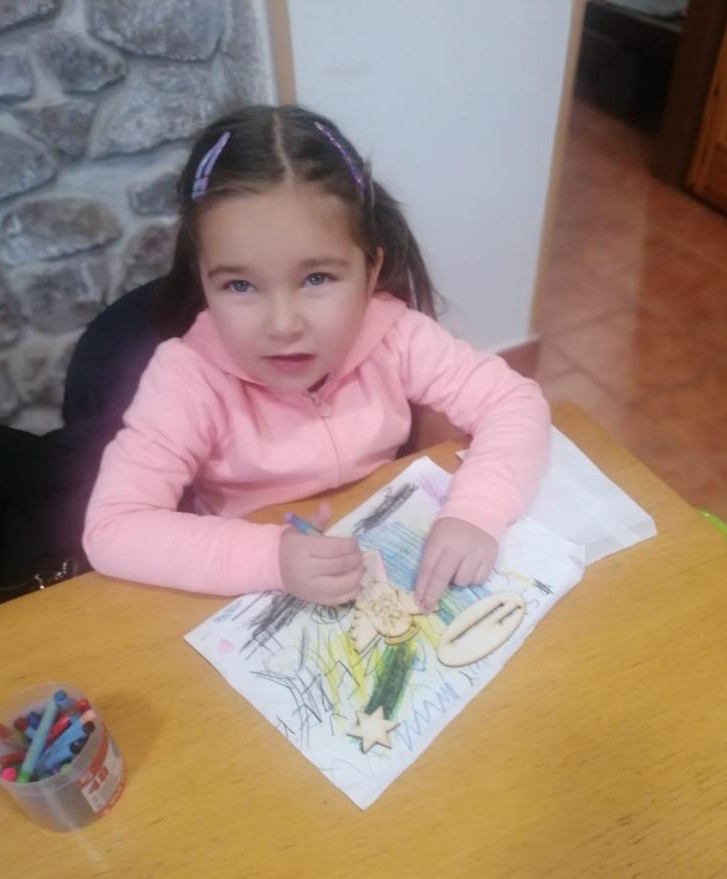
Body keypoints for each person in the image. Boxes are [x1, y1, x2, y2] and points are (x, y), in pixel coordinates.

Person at [84, 104, 550, 612]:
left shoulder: (396, 336)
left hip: (379, 551)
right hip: (248, 592)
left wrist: (477, 511)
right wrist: (269, 558)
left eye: (316, 278)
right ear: (203, 281)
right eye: (240, 285)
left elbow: (513, 401)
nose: (283, 324)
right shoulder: (186, 380)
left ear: (370, 272)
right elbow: (113, 527)